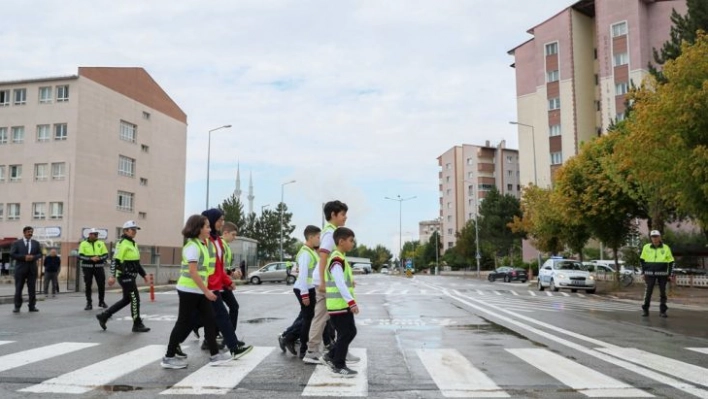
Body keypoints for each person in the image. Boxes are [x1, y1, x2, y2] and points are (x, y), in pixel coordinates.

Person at [162, 215, 233, 369]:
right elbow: (193, 272)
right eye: (207, 227)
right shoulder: (193, 246)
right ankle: (168, 357)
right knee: (183, 323)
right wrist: (207, 291)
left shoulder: (202, 244)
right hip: (188, 290)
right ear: (198, 229)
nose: (209, 229)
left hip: (198, 290)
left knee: (210, 319)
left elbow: (206, 270)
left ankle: (215, 355)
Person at [200, 209, 252, 358]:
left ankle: (233, 346)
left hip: (214, 285)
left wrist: (228, 281)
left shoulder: (216, 241)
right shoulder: (204, 241)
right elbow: (201, 267)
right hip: (202, 287)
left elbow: (218, 267)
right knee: (191, 320)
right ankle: (171, 350)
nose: (221, 223)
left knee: (221, 315)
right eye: (219, 220)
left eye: (223, 220)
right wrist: (207, 286)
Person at [304, 200, 350, 364]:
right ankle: (312, 351)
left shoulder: (332, 231)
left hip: (328, 280)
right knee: (322, 316)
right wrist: (323, 281)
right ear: (333, 215)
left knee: (338, 315)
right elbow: (323, 256)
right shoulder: (331, 233)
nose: (345, 218)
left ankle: (340, 349)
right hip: (325, 282)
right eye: (343, 214)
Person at [96, 221, 150, 332]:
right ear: (125, 230)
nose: (135, 231)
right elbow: (115, 260)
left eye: (136, 230)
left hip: (131, 276)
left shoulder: (133, 243)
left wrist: (144, 274)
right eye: (132, 229)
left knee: (127, 300)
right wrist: (112, 275)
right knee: (135, 299)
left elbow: (136, 263)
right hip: (125, 276)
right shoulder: (122, 243)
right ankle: (137, 324)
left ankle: (104, 316)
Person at [280, 225, 321, 359]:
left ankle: (290, 339)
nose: (319, 239)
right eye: (318, 237)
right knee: (308, 319)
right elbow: (303, 274)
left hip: (309, 288)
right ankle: (301, 347)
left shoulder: (311, 251)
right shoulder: (305, 253)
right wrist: (304, 294)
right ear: (310, 237)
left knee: (307, 318)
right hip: (305, 288)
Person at [322, 227, 359, 377]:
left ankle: (331, 355)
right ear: (341, 241)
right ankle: (339, 365)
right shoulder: (336, 259)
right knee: (344, 334)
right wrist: (351, 302)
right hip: (339, 306)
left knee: (351, 331)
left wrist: (351, 284)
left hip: (342, 305)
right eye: (351, 240)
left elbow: (343, 281)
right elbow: (339, 283)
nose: (353, 243)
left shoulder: (341, 258)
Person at [640, 230, 675, 318]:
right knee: (648, 292)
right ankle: (645, 310)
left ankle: (663, 311)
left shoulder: (665, 248)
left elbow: (671, 262)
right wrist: (642, 272)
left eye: (656, 236)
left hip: (662, 274)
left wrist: (670, 274)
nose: (654, 238)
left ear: (659, 237)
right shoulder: (646, 247)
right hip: (649, 273)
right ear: (651, 238)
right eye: (653, 237)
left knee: (663, 293)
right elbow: (642, 261)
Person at [10, 226, 43, 313]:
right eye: (28, 232)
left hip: (32, 269)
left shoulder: (36, 243)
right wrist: (24, 257)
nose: (30, 233)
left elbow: (40, 254)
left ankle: (32, 306)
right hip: (20, 269)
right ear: (24, 233)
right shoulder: (17, 243)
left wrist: (33, 257)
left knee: (32, 288)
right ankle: (17, 306)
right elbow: (12, 254)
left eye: (31, 232)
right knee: (19, 288)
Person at [221, 222, 244, 338]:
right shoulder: (221, 245)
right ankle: (229, 335)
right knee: (222, 311)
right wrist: (232, 274)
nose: (234, 238)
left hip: (223, 281)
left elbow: (226, 266)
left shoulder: (226, 246)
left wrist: (235, 271)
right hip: (219, 283)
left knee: (229, 309)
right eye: (233, 235)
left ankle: (229, 335)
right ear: (225, 233)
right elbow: (218, 267)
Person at [79, 229, 109, 310]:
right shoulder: (83, 243)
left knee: (101, 284)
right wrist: (90, 259)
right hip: (87, 268)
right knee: (88, 285)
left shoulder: (101, 243)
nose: (96, 236)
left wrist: (98, 258)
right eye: (94, 234)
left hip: (99, 267)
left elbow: (106, 255)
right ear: (90, 234)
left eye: (96, 234)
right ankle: (89, 303)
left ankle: (101, 302)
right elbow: (80, 256)